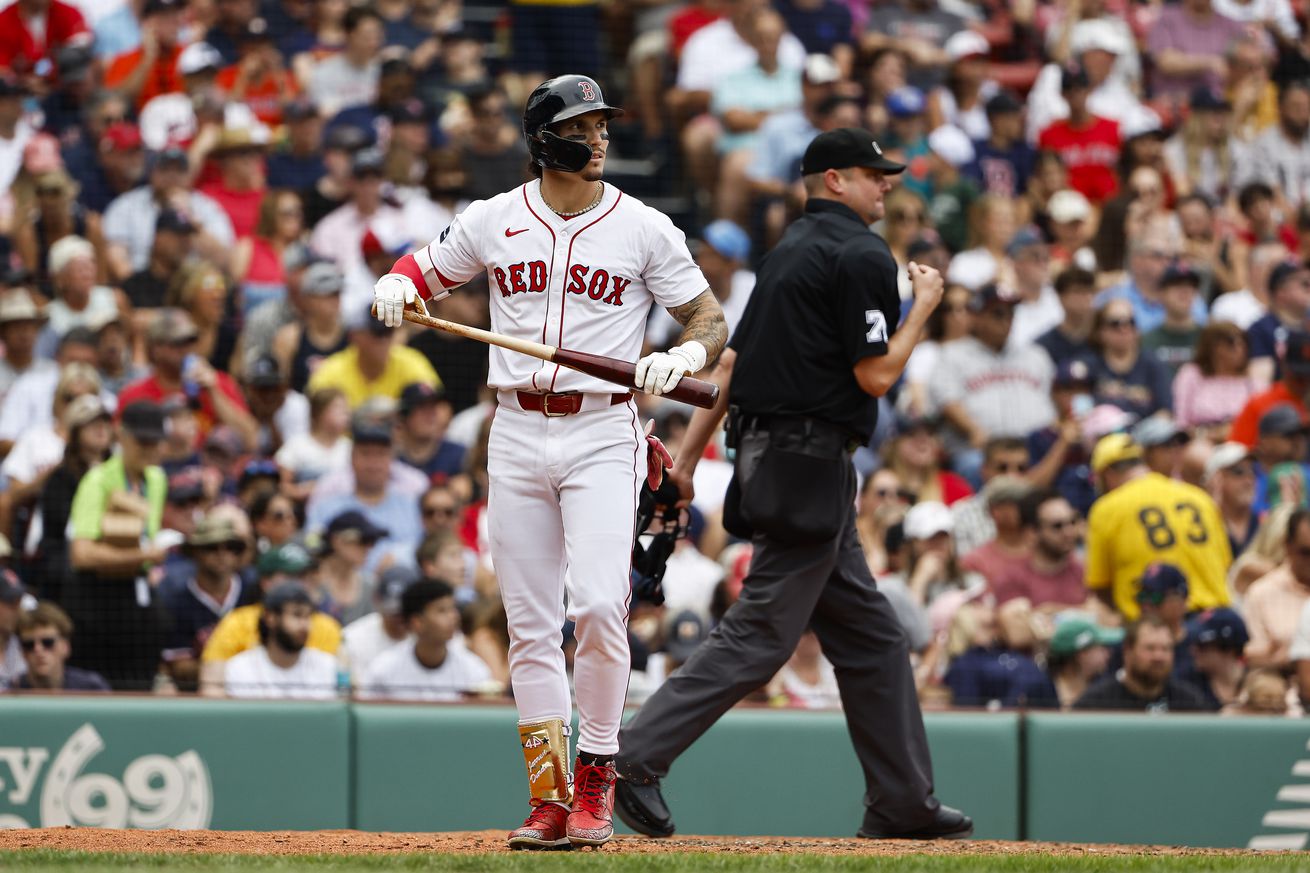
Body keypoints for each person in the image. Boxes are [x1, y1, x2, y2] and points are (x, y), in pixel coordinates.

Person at [371, 74, 728, 850]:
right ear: (545, 139)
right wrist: (396, 288)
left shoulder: (641, 226)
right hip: (516, 428)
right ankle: (550, 795)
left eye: (603, 124)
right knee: (530, 623)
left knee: (600, 606)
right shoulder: (496, 218)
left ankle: (598, 775)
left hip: (604, 430)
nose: (600, 136)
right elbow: (419, 270)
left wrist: (685, 353)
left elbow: (709, 315)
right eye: (585, 124)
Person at [612, 127, 970, 843]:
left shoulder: (786, 256)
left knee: (871, 636)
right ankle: (630, 757)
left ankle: (902, 799)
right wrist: (923, 306)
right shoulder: (862, 253)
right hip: (809, 465)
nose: (886, 184)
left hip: (780, 460)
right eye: (873, 174)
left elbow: (732, 365)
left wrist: (685, 463)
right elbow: (876, 375)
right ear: (834, 179)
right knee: (763, 633)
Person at [1085, 434, 1232, 621]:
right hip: (1216, 620)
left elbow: (1100, 586)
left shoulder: (1105, 509)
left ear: (1107, 473)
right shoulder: (1199, 497)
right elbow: (1225, 564)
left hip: (1155, 628)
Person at [358, 577, 492, 701]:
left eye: (453, 609)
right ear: (417, 622)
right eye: (442, 611)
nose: (453, 617)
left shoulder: (474, 669)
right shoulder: (383, 670)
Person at [223, 581, 337, 699]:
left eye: (308, 617)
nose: (305, 625)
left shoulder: (327, 666)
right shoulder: (241, 668)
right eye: (297, 615)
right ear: (270, 618)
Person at [1073, 617, 1212, 712]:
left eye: (1165, 649)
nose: (1159, 656)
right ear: (1127, 651)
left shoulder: (1189, 702)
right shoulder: (1096, 703)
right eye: (1150, 648)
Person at [1245, 508, 1310, 669]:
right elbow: (1249, 659)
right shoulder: (1261, 593)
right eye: (1306, 552)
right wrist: (1292, 660)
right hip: (1282, 685)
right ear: (1288, 546)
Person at [12, 601, 110, 692]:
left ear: (65, 646)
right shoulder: (10, 692)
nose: (38, 650)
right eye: (29, 645)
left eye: (47, 642)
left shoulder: (91, 689)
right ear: (22, 652)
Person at [342, 564, 414, 680]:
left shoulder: (431, 639)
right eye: (392, 610)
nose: (399, 617)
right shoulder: (353, 638)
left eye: (405, 611)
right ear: (377, 600)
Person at [1044, 615, 1121, 709]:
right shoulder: (1043, 691)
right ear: (1082, 654)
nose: (1108, 654)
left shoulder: (1106, 689)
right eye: (1101, 647)